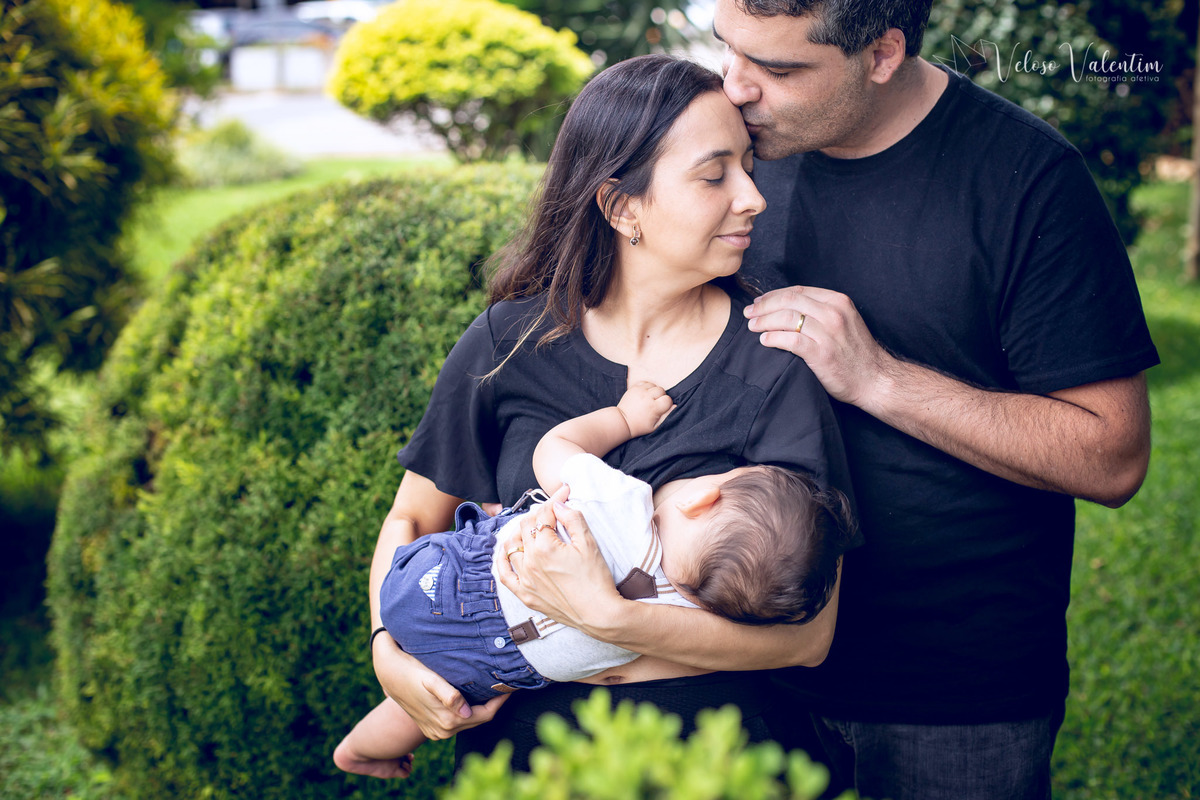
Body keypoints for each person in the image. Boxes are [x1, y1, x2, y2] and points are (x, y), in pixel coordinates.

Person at [501, 1, 1158, 798]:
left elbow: (1112, 455)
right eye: (728, 49)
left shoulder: (1026, 181)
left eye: (778, 68)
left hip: (944, 690)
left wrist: (881, 378)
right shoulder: (726, 154)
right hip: (724, 664)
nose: (736, 87)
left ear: (881, 54)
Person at [365, 53, 856, 772]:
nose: (753, 197)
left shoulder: (773, 361)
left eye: (749, 167)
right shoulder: (510, 342)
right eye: (715, 175)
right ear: (622, 207)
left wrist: (611, 619)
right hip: (531, 768)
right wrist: (387, 651)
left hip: (718, 766)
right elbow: (412, 519)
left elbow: (809, 637)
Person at [335, 381, 852, 778]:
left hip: (445, 584)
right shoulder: (683, 617)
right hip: (496, 667)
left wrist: (624, 418)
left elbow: (552, 448)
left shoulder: (624, 504)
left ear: (703, 497)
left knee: (504, 525)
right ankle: (361, 750)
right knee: (446, 693)